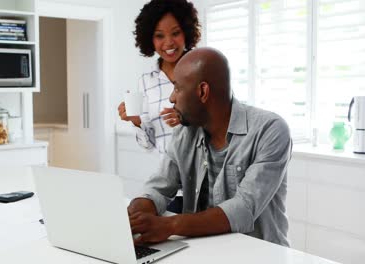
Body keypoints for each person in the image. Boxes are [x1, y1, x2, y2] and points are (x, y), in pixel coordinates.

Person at [127, 47, 293, 247]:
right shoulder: (184, 132)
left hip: (259, 255)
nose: (171, 98)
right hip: (203, 252)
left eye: (177, 88)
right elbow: (158, 187)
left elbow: (243, 209)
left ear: (203, 92)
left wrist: (169, 225)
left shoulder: (270, 130)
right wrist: (136, 214)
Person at [117, 0, 201, 154]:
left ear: (186, 32)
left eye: (175, 33)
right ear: (150, 39)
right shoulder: (145, 81)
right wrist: (136, 121)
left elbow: (222, 124)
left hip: (202, 172)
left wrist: (188, 119)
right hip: (165, 172)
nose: (168, 42)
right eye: (159, 36)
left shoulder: (202, 70)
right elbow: (148, 145)